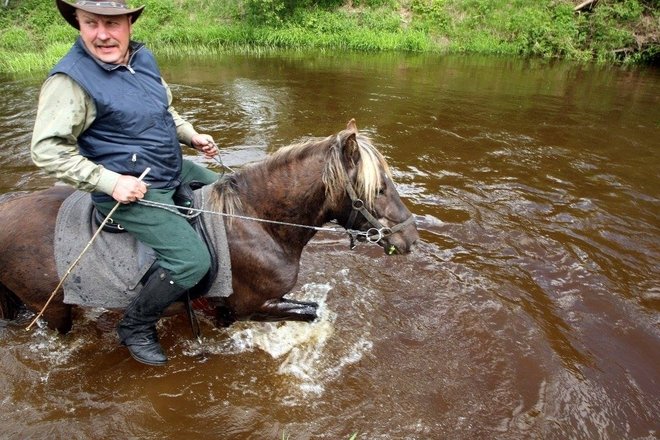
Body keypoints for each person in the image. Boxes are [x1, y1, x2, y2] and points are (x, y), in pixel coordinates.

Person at [31, 0, 221, 366]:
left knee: (230, 194)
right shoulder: (70, 81)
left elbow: (163, 112)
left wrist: (190, 135)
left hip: (170, 166)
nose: (102, 34)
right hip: (129, 187)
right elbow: (46, 150)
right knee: (190, 261)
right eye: (91, 23)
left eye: (112, 23)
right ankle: (135, 325)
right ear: (78, 24)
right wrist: (109, 181)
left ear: (129, 22)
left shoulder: (141, 58)